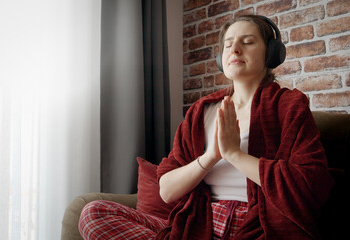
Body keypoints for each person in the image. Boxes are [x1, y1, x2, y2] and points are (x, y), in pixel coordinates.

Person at [79, 15, 334, 240]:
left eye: (247, 42)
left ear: (271, 54)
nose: (234, 49)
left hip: (258, 227)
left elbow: (309, 185)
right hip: (198, 225)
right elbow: (167, 190)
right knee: (93, 212)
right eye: (227, 44)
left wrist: (235, 154)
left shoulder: (289, 106)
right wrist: (211, 156)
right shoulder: (202, 111)